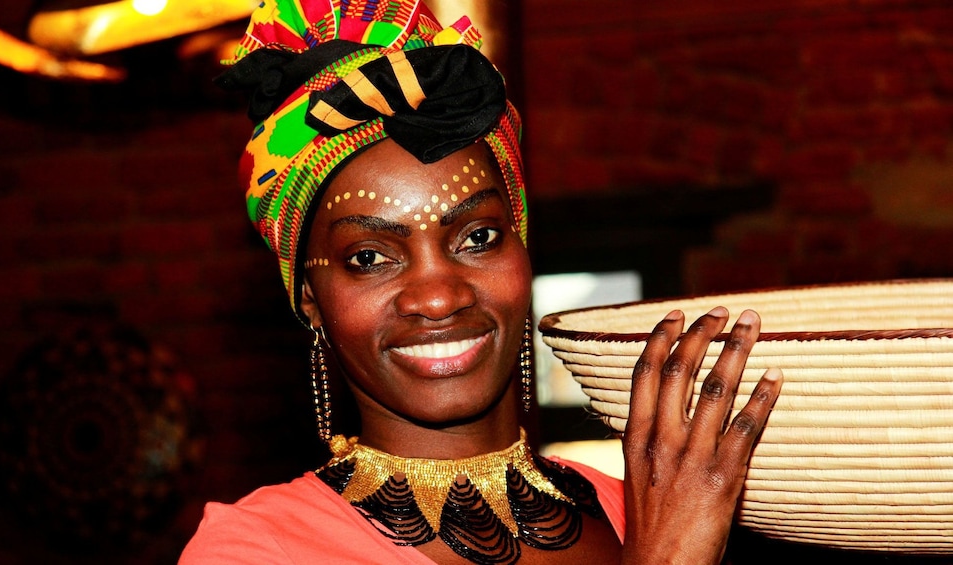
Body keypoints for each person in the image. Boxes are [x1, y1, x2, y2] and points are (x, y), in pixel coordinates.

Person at [180, 1, 784, 563]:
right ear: (310, 295)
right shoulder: (262, 547)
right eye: (369, 257)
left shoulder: (659, 505)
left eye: (478, 237)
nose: (440, 295)